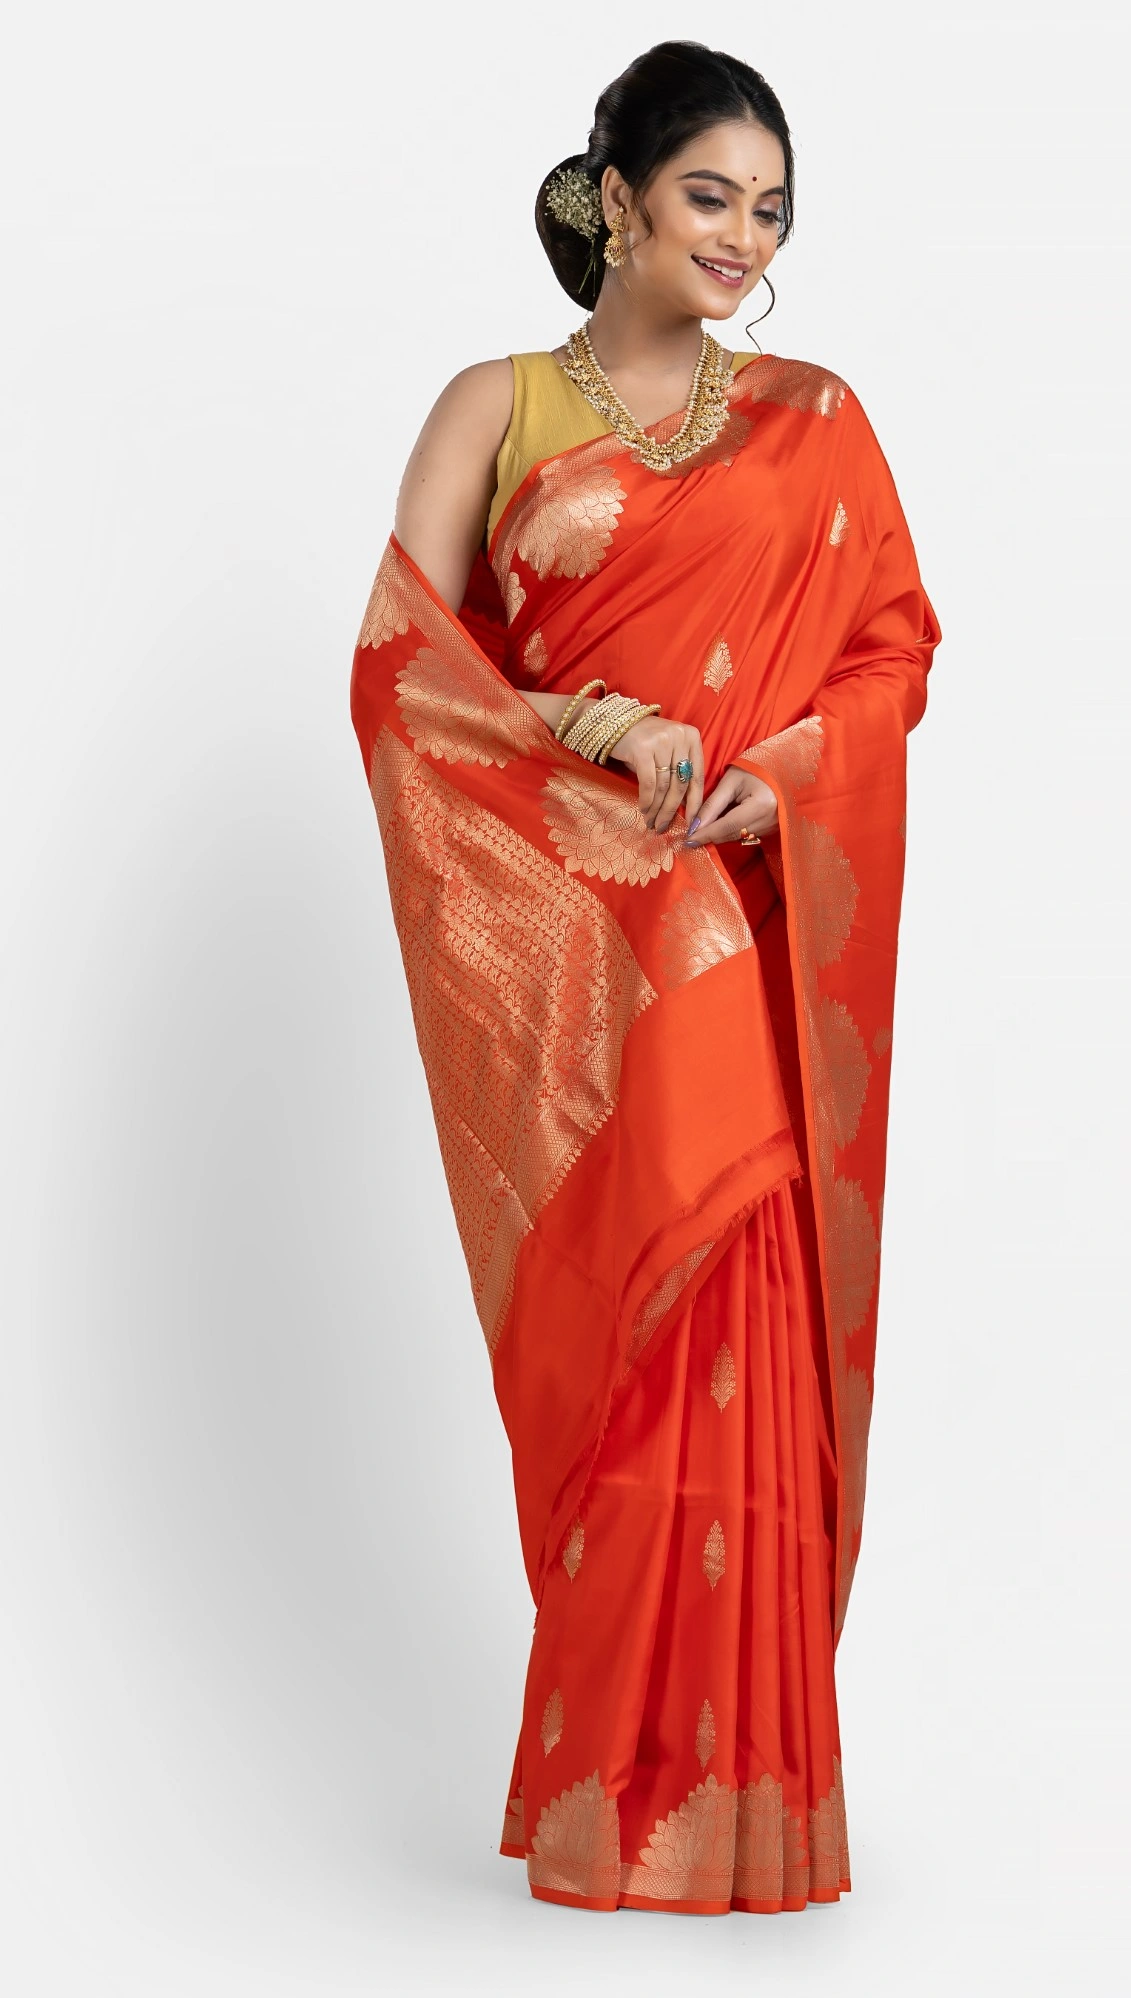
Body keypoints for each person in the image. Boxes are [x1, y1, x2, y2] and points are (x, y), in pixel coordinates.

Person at [349, 38, 940, 1915]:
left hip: (736, 929)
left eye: (771, 212)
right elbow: (403, 674)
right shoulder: (497, 405)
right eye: (709, 197)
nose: (743, 239)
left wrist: (784, 773)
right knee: (627, 1327)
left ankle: (742, 1802)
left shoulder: (818, 421)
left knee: (736, 1303)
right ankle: (614, 1786)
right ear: (617, 197)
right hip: (584, 940)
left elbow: (892, 652)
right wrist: (595, 718)